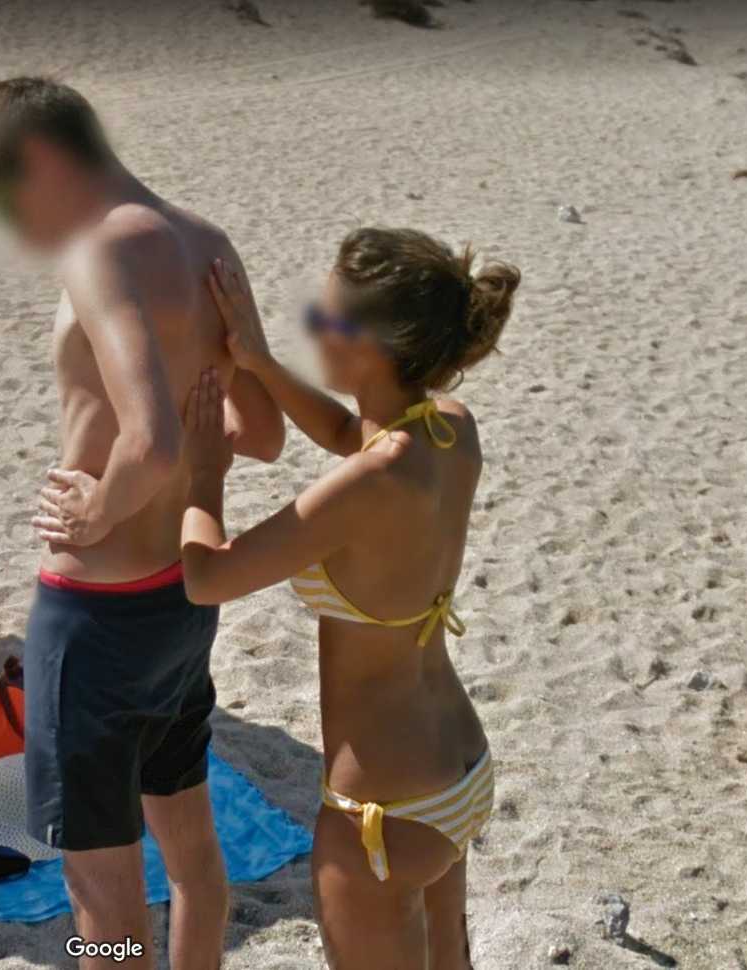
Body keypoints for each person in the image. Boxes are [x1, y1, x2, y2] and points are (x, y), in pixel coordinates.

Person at [0, 77, 285, 970]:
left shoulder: (100, 252)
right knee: (191, 854)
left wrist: (94, 511)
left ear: (42, 159)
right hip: (182, 597)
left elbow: (153, 440)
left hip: (96, 619)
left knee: (101, 893)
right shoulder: (206, 240)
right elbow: (261, 434)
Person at [176, 228, 518, 970]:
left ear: (371, 343)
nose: (312, 329)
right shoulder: (450, 429)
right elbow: (346, 431)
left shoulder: (368, 484)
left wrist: (204, 474)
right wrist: (259, 361)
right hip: (457, 766)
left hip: (383, 808)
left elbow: (206, 576)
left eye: (324, 316)